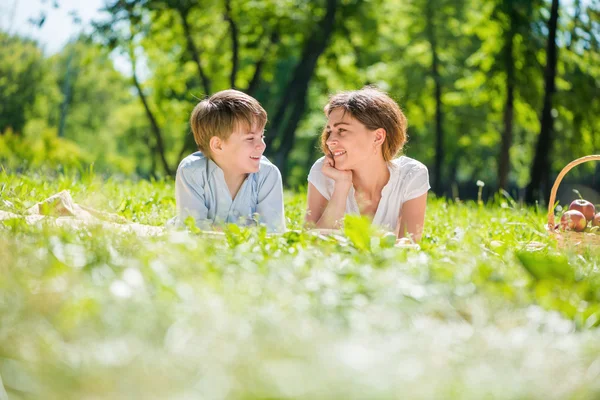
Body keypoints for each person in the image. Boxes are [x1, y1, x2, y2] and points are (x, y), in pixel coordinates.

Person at [305, 87, 429, 241]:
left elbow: (409, 249)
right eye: (330, 130)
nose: (330, 141)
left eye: (342, 130)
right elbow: (311, 247)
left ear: (378, 137)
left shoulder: (411, 176)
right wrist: (341, 187)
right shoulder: (323, 172)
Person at [175, 89, 285, 232]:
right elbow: (193, 230)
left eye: (261, 136)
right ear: (218, 145)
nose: (262, 145)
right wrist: (247, 231)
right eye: (250, 138)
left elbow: (272, 232)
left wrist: (219, 230)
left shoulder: (268, 174)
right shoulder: (192, 172)